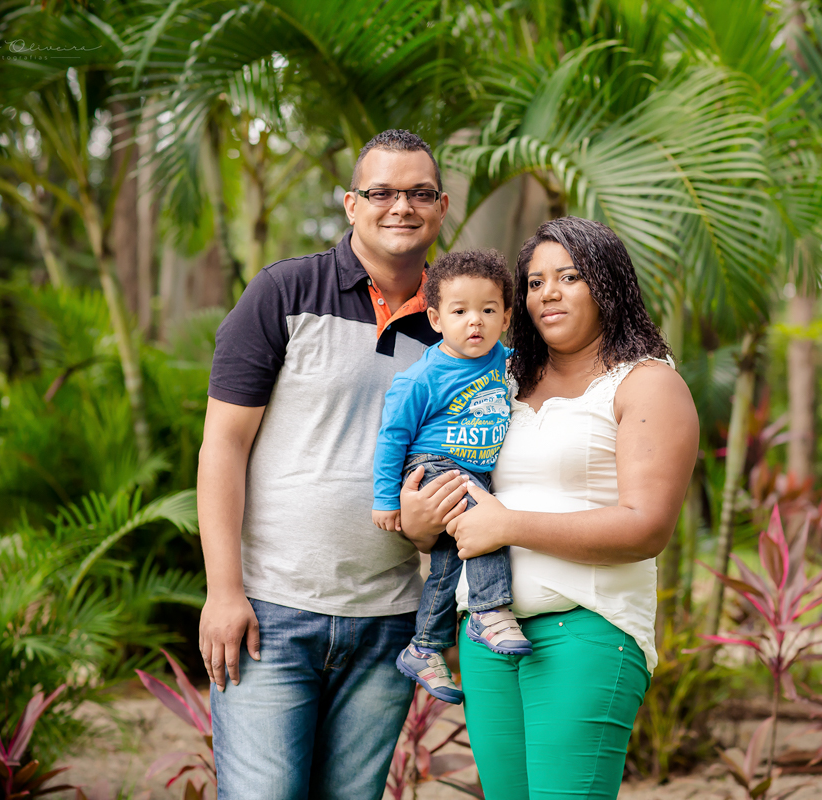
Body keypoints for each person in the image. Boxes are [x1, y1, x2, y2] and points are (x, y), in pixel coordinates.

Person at [196, 129, 471, 800]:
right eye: (381, 192)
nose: (400, 207)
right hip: (270, 614)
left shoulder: (463, 324)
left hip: (390, 622)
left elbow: (466, 457)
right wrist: (224, 592)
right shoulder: (283, 292)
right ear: (351, 204)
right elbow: (223, 445)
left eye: (419, 193)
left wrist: (431, 525)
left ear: (441, 207)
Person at [440, 216, 699, 798]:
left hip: (585, 628)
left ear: (608, 283)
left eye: (569, 277)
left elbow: (645, 527)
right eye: (534, 283)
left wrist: (508, 525)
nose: (548, 293)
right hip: (486, 633)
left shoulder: (646, 384)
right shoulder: (499, 380)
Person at [371, 249, 531, 706]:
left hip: (475, 470)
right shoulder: (422, 377)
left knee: (445, 566)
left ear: (506, 317)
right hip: (434, 467)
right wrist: (386, 499)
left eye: (488, 310)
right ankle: (489, 609)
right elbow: (392, 437)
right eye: (460, 312)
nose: (475, 321)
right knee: (487, 521)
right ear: (436, 319)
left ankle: (423, 646)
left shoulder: (507, 362)